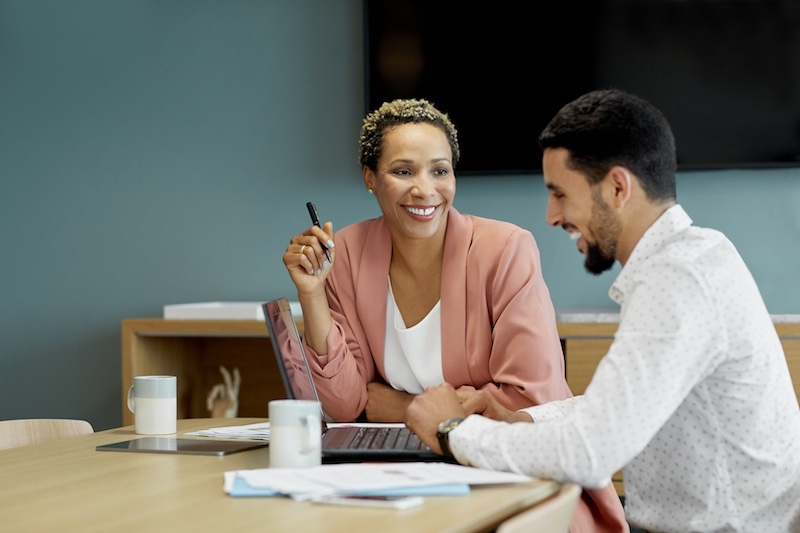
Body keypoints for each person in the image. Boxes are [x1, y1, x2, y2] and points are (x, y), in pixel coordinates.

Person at [404, 89, 800, 532]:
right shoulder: (694, 257)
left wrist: (452, 430)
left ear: (616, 187)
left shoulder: (678, 279)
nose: (552, 216)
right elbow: (622, 411)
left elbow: (589, 451)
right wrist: (520, 420)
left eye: (559, 194)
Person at [283, 98, 627, 532]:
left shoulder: (505, 249)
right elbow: (345, 406)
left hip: (505, 472)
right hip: (403, 472)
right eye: (403, 171)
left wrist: (400, 405)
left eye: (440, 170)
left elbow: (528, 401)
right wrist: (311, 295)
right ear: (370, 178)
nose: (425, 189)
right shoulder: (348, 253)